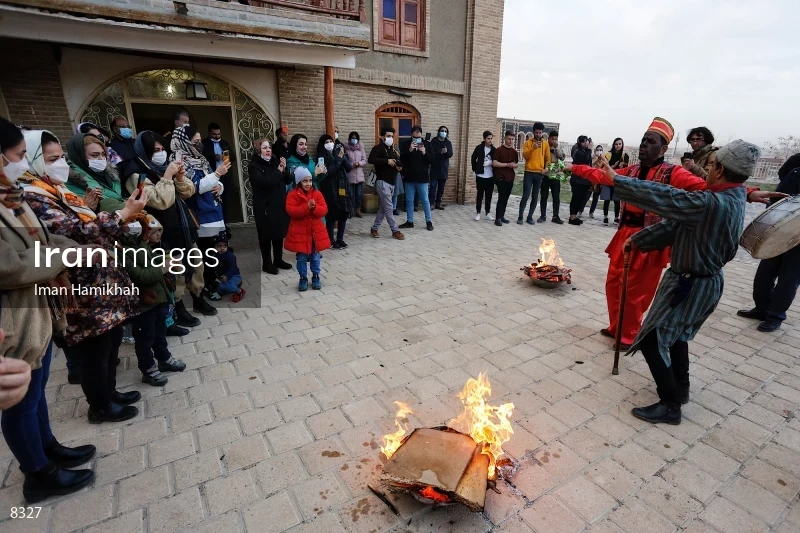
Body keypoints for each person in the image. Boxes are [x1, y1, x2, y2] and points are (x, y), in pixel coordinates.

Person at [578, 141, 761, 424]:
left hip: (688, 284)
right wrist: (639, 240)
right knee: (677, 336)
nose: (707, 172)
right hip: (704, 282)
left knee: (652, 339)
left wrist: (617, 180)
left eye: (710, 167)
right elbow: (677, 225)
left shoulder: (709, 202)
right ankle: (682, 387)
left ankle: (670, 404)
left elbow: (666, 197)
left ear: (721, 169)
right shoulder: (734, 197)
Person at [567, 117, 782, 349]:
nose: (643, 145)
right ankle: (616, 326)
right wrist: (573, 168)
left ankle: (628, 335)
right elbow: (604, 175)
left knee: (636, 293)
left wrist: (748, 193)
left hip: (652, 238)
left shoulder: (673, 173)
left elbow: (707, 187)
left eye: (650, 142)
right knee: (614, 284)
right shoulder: (632, 170)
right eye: (642, 140)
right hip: (623, 235)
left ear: (663, 148)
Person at [22, 129, 147, 424]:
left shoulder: (60, 191)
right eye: (52, 159)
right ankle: (100, 406)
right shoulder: (32, 196)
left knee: (111, 339)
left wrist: (124, 219)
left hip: (102, 280)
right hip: (79, 285)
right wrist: (121, 214)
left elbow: (91, 224)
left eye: (61, 157)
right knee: (95, 348)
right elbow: (70, 231)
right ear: (32, 160)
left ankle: (111, 393)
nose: (60, 164)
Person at [1, 117, 96, 502]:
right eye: (19, 155)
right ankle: (37, 474)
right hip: (15, 317)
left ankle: (48, 448)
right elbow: (10, 266)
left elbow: (42, 236)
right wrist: (61, 257)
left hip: (39, 308)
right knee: (19, 399)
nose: (23, 163)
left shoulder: (10, 196)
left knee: (37, 391)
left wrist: (68, 248)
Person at [123, 130, 200, 335]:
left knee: (193, 265)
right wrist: (167, 176)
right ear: (144, 151)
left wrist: (180, 177)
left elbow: (187, 192)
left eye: (162, 149)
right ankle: (176, 312)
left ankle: (197, 300)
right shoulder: (136, 173)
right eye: (155, 150)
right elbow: (161, 201)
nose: (160, 153)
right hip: (161, 234)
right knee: (173, 273)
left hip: (182, 227)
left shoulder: (161, 168)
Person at [738, 155, 800, 332]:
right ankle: (762, 308)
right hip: (779, 228)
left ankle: (775, 316)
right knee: (765, 274)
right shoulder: (797, 160)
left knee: (789, 279)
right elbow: (783, 175)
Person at [171, 124, 229, 306]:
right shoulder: (180, 161)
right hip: (198, 215)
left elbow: (211, 180)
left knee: (211, 254)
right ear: (184, 142)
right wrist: (217, 175)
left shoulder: (201, 159)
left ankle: (211, 285)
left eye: (198, 141)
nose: (199, 144)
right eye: (195, 141)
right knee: (201, 257)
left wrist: (219, 185)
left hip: (213, 211)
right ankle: (200, 292)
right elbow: (193, 188)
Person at [126, 215, 187, 386]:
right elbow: (139, 275)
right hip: (142, 302)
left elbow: (152, 261)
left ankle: (164, 359)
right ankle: (148, 369)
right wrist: (163, 268)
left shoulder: (141, 244)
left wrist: (168, 259)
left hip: (158, 297)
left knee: (160, 331)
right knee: (145, 337)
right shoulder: (122, 250)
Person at [285, 167, 332, 291]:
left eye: (310, 181)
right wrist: (307, 207)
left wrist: (314, 207)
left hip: (314, 233)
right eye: (305, 181)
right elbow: (292, 211)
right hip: (300, 233)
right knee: (301, 257)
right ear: (299, 182)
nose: (308, 183)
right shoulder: (292, 194)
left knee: (315, 257)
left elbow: (324, 210)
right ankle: (303, 278)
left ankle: (316, 276)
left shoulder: (317, 193)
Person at [249, 138, 292, 274]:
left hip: (278, 203)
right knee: (266, 235)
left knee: (278, 233)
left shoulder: (275, 161)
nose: (268, 150)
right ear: (258, 150)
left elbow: (287, 180)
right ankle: (267, 264)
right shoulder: (254, 165)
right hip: (264, 206)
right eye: (264, 148)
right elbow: (264, 182)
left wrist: (284, 169)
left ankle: (278, 259)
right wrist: (278, 171)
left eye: (269, 148)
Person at [65, 133, 127, 212]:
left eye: (103, 154)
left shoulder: (109, 174)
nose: (101, 159)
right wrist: (128, 206)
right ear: (79, 156)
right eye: (95, 155)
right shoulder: (71, 180)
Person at [317, 135, 354, 248]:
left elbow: (349, 168)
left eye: (331, 141)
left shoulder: (339, 152)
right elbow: (329, 172)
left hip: (342, 188)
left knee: (343, 214)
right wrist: (339, 159)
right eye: (327, 142)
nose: (329, 143)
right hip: (330, 189)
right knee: (331, 216)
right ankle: (330, 240)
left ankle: (340, 239)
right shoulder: (321, 157)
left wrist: (344, 156)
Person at [368, 127, 405, 240]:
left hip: (392, 182)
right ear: (382, 137)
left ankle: (374, 228)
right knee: (389, 207)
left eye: (392, 136)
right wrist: (386, 161)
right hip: (382, 181)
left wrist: (399, 167)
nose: (390, 138)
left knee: (383, 208)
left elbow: (398, 164)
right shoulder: (378, 148)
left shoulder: (393, 150)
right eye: (388, 136)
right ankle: (395, 230)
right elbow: (371, 160)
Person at [399, 126, 435, 231]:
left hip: (422, 177)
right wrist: (409, 150)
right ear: (411, 135)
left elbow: (432, 160)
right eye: (415, 137)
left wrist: (424, 152)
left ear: (421, 135)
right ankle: (410, 221)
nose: (417, 140)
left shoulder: (427, 144)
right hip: (409, 176)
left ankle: (429, 221)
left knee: (425, 200)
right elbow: (402, 160)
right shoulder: (406, 144)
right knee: (409, 200)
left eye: (419, 137)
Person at [519, 122, 551, 224]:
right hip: (529, 172)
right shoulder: (528, 142)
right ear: (533, 132)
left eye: (540, 132)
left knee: (535, 196)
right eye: (536, 132)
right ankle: (520, 217)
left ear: (542, 132)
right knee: (525, 195)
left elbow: (548, 159)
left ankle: (529, 217)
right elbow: (525, 156)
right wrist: (533, 148)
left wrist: (546, 168)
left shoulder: (545, 144)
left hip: (539, 174)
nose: (538, 134)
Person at [492, 130, 519, 227]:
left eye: (512, 139)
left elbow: (516, 165)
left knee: (506, 198)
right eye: (509, 139)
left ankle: (502, 216)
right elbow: (494, 163)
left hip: (510, 178)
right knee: (501, 197)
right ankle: (498, 218)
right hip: (500, 177)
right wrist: (507, 164)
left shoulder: (514, 152)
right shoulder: (499, 150)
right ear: (505, 138)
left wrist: (513, 165)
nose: (511, 141)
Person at [601, 138, 629, 225]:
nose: (618, 146)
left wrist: (621, 167)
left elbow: (626, 169)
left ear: (622, 145)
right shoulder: (608, 155)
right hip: (607, 179)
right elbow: (603, 168)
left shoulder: (625, 156)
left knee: (617, 200)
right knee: (607, 199)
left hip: (618, 180)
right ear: (613, 145)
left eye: (620, 144)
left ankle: (616, 218)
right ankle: (605, 217)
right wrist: (613, 166)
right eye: (616, 144)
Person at [211, 235, 246, 302]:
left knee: (229, 287)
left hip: (234, 276)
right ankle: (220, 293)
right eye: (219, 246)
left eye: (224, 246)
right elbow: (217, 268)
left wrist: (227, 276)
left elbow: (233, 268)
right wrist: (219, 276)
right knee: (221, 287)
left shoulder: (230, 256)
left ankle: (239, 291)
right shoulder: (215, 256)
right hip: (223, 277)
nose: (222, 248)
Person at [471, 130, 496, 221]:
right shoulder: (479, 148)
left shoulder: (494, 150)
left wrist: (491, 162)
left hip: (490, 176)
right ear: (484, 139)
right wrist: (474, 170)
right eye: (488, 138)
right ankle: (478, 213)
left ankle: (487, 213)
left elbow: (496, 161)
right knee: (480, 195)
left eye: (491, 138)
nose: (490, 140)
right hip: (481, 176)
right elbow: (473, 158)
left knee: (489, 196)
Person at [540, 131, 564, 224]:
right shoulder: (544, 146)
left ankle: (555, 216)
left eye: (556, 139)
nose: (554, 141)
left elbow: (562, 158)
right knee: (544, 196)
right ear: (548, 138)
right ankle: (543, 215)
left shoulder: (558, 147)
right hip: (545, 175)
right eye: (552, 139)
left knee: (556, 196)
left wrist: (556, 148)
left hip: (555, 174)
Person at [568, 135, 593, 226]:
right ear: (579, 143)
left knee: (581, 198)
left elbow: (589, 162)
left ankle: (574, 216)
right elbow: (586, 160)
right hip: (577, 180)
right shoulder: (578, 152)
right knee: (576, 198)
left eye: (586, 141)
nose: (586, 143)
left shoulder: (584, 151)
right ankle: (572, 217)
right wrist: (589, 150)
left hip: (584, 180)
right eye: (583, 141)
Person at [429, 125, 453, 210]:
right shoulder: (434, 141)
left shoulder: (448, 142)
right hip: (435, 168)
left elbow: (450, 154)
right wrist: (440, 151)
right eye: (442, 131)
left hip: (444, 169)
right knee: (432, 187)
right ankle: (431, 203)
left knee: (441, 188)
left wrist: (446, 152)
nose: (444, 132)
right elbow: (431, 152)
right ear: (439, 132)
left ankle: (438, 203)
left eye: (445, 131)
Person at [344, 131, 367, 218]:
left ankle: (358, 209)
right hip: (350, 174)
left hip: (359, 174)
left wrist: (359, 163)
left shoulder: (361, 148)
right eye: (352, 138)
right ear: (349, 139)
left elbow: (364, 160)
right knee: (350, 194)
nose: (354, 140)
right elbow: (345, 161)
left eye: (356, 138)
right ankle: (350, 210)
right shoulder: (346, 149)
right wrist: (352, 165)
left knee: (358, 194)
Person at [588, 145, 607, 218]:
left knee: (595, 198)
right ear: (595, 150)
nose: (599, 151)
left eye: (600, 150)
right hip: (591, 180)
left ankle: (591, 212)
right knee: (587, 196)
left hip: (598, 181)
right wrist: (596, 161)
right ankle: (580, 210)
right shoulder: (592, 157)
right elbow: (590, 166)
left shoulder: (603, 159)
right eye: (598, 149)